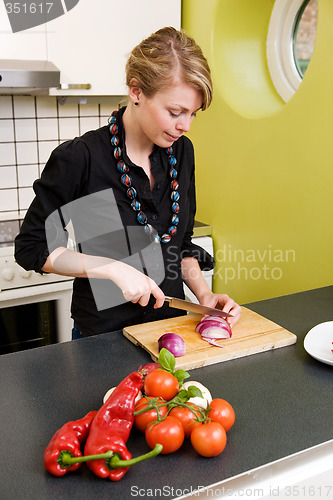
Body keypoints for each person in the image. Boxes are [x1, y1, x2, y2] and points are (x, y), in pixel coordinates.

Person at [15, 27, 241, 339]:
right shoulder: (81, 158)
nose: (185, 126)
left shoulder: (181, 153)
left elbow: (181, 244)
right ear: (136, 91)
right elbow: (32, 248)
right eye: (175, 111)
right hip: (104, 338)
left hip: (171, 331)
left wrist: (204, 296)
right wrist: (112, 268)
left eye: (192, 114)